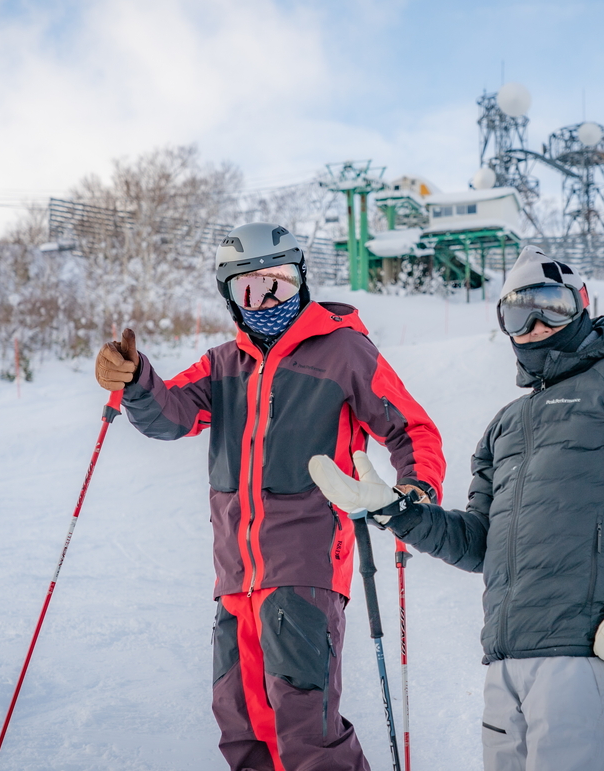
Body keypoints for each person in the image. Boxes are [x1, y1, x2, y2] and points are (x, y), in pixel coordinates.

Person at [309, 246, 604, 771]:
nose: (538, 325)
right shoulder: (504, 425)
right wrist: (395, 510)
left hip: (584, 650)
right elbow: (479, 541)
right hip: (505, 660)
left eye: (553, 306)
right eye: (520, 314)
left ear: (582, 304)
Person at [94, 222, 445, 771]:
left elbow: (412, 429)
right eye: (250, 290)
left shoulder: (343, 351)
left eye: (278, 283)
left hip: (305, 566)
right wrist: (136, 379)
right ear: (230, 298)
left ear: (301, 279)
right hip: (236, 577)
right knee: (240, 724)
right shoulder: (222, 365)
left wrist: (415, 487)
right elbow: (171, 414)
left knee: (305, 726)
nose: (268, 300)